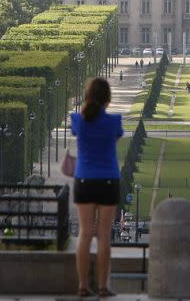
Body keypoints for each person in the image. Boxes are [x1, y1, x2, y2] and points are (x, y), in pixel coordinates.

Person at [71, 78, 124, 298]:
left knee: (85, 234)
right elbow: (116, 136)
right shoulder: (114, 122)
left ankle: (83, 286)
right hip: (108, 181)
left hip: (84, 180)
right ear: (108, 99)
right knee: (104, 236)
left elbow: (80, 125)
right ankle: (102, 287)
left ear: (88, 96)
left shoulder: (77, 120)